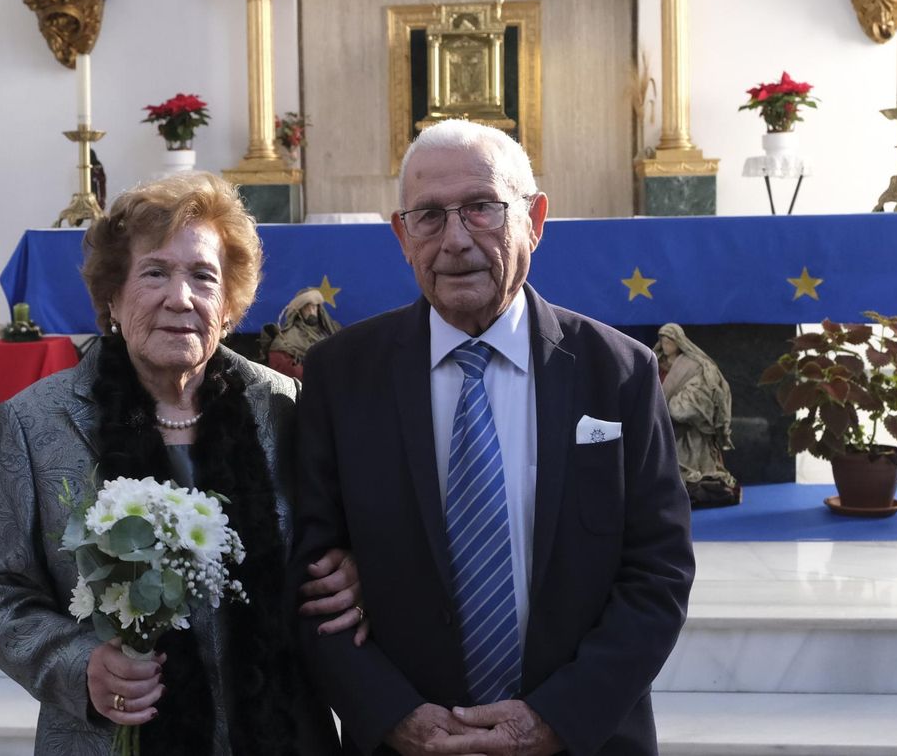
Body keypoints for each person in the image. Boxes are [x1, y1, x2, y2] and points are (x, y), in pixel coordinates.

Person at [290, 119, 695, 756]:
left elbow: (659, 571)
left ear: (534, 219)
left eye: (481, 208)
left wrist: (557, 718)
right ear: (402, 235)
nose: (454, 240)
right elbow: (311, 579)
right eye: (428, 215)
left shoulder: (618, 372)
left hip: (583, 739)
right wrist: (395, 715)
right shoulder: (342, 376)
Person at [0, 172, 356, 756]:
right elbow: (1, 595)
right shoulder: (37, 423)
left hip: (284, 733)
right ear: (113, 298)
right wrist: (81, 666)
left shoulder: (284, 408)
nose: (181, 297)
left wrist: (352, 570)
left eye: (204, 277)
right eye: (155, 273)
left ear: (228, 307)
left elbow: (340, 540)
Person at [655, 323, 740, 509]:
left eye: (669, 341)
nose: (665, 345)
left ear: (678, 342)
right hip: (663, 428)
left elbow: (699, 396)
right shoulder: (656, 364)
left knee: (692, 468)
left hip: (690, 430)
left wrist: (677, 404)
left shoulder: (693, 366)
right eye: (662, 341)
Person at [258, 287, 341, 379]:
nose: (311, 311)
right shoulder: (287, 338)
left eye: (314, 307)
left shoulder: (331, 332)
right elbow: (280, 363)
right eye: (306, 308)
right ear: (299, 312)